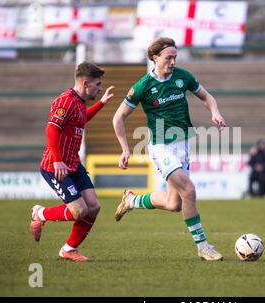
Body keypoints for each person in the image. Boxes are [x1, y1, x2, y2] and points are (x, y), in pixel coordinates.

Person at [112, 37, 226, 261]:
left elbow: (206, 97)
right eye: (168, 57)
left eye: (175, 57)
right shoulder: (142, 86)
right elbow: (118, 118)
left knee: (174, 204)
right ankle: (203, 247)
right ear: (155, 58)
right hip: (161, 147)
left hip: (183, 145)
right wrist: (125, 149)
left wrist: (215, 111)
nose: (173, 62)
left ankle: (132, 201)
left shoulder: (183, 77)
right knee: (189, 191)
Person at [29, 62, 114, 262]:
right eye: (98, 84)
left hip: (73, 164)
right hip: (55, 166)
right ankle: (40, 213)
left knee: (93, 207)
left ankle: (69, 249)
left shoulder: (79, 103)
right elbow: (51, 129)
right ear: (86, 83)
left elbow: (81, 119)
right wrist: (58, 161)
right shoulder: (65, 101)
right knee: (79, 210)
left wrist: (101, 103)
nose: (99, 87)